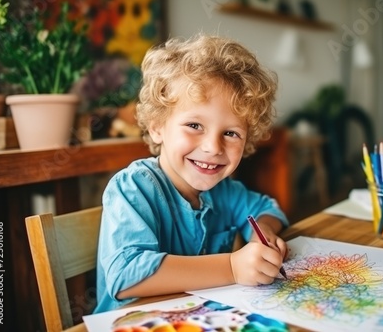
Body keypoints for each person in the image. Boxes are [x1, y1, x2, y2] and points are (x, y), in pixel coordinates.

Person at [94, 33, 290, 313]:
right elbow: (126, 276)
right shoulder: (133, 188)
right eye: (195, 126)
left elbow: (265, 208)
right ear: (157, 126)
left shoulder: (225, 190)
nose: (212, 147)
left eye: (231, 133)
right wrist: (233, 267)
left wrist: (262, 233)